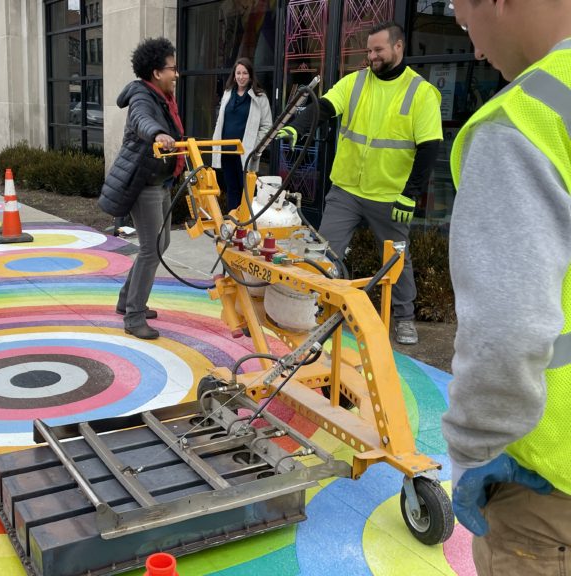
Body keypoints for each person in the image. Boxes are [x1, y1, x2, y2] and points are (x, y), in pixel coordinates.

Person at [441, 1, 571, 573]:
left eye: (468, 24)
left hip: (547, 491)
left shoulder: (523, 122)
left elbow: (505, 331)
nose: (475, 49)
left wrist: (474, 453)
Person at [278, 22, 442, 345]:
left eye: (378, 50)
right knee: (327, 251)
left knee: (397, 258)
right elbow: (324, 107)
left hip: (389, 195)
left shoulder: (420, 92)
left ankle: (405, 316)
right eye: (369, 50)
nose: (372, 56)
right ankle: (319, 308)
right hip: (347, 190)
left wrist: (410, 195)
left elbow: (429, 147)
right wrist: (298, 126)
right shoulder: (355, 83)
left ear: (398, 47)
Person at [98, 37, 185, 340]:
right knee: (151, 249)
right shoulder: (142, 96)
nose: (177, 74)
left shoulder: (162, 97)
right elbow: (140, 120)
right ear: (156, 72)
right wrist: (158, 133)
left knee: (161, 245)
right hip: (143, 183)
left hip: (159, 182)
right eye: (172, 69)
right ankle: (134, 316)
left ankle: (127, 301)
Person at [211, 57, 272, 211]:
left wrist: (255, 147)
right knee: (232, 189)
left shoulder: (259, 97)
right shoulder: (227, 93)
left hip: (245, 153)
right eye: (238, 73)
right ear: (234, 75)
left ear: (250, 75)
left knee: (247, 191)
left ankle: (246, 224)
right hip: (226, 151)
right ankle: (233, 223)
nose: (241, 76)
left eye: (245, 73)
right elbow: (220, 121)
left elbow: (267, 127)